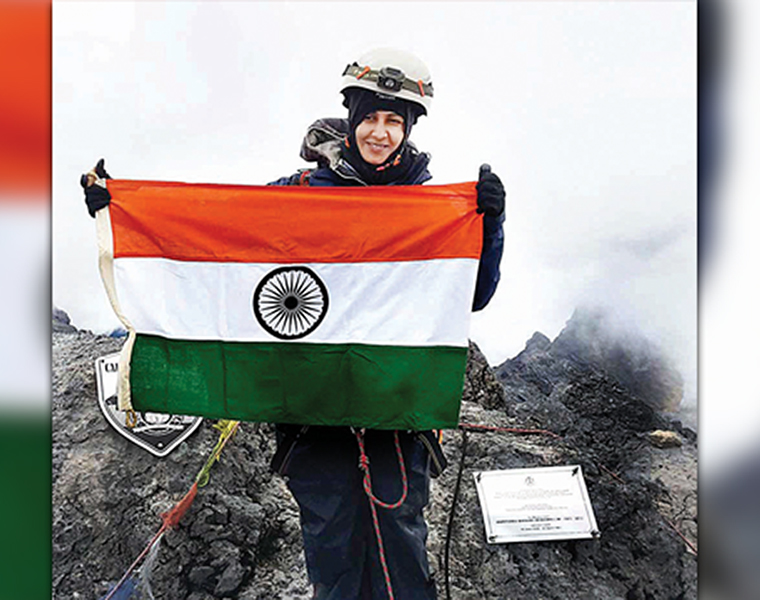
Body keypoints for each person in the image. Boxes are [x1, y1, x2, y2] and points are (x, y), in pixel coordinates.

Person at [82, 47, 505, 600]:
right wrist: (121, 209)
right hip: (314, 419)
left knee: (401, 546)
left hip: (396, 420)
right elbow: (216, 237)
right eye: (371, 118)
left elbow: (473, 295)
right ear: (352, 121)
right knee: (332, 554)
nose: (381, 133)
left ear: (409, 129)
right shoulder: (297, 194)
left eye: (394, 121)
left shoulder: (428, 210)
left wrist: (489, 225)